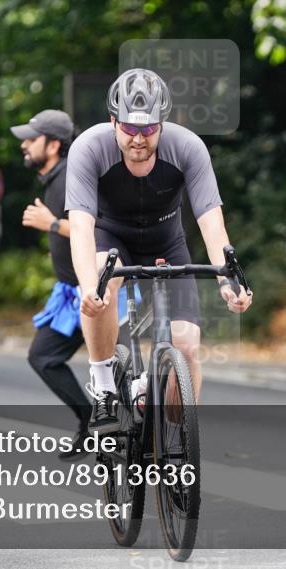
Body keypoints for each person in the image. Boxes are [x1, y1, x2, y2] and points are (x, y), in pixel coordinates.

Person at [65, 69, 253, 433]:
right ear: (113, 121)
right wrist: (89, 286)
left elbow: (211, 221)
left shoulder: (187, 148)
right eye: (129, 129)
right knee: (103, 275)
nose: (138, 138)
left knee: (186, 346)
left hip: (166, 243)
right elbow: (81, 227)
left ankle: (177, 443)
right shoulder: (89, 148)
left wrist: (229, 280)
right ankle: (104, 382)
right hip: (110, 238)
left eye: (149, 129)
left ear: (162, 125)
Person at [11, 109, 92, 461]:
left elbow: (96, 229)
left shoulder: (72, 178)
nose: (24, 146)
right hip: (69, 293)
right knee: (43, 357)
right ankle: (90, 422)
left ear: (54, 144)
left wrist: (52, 223)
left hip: (103, 289)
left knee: (122, 371)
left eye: (31, 139)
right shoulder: (55, 178)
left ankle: (152, 438)